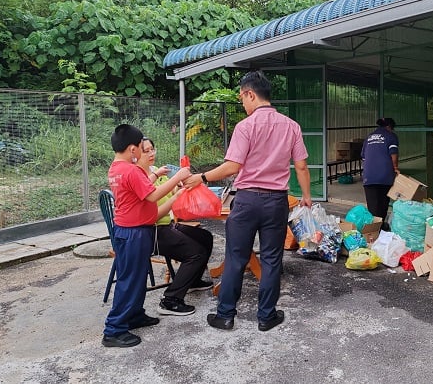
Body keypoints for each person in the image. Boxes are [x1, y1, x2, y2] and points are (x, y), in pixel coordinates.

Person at [184, 70, 312, 332]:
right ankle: (266, 316)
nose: (242, 103)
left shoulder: (246, 127)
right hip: (277, 201)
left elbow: (232, 166)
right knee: (272, 258)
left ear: (250, 94)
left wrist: (202, 177)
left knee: (236, 257)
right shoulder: (291, 126)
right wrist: (307, 197)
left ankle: (225, 315)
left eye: (242, 97)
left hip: (246, 201)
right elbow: (301, 166)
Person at [102, 124, 192, 348]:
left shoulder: (117, 168)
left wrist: (155, 176)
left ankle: (134, 315)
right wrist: (177, 177)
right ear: (133, 150)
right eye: (142, 148)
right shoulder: (131, 171)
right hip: (134, 232)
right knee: (129, 281)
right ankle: (113, 330)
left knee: (137, 277)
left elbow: (138, 191)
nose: (145, 152)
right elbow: (151, 197)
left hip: (130, 230)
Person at [137, 137, 214, 316]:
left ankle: (192, 281)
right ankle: (170, 300)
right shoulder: (139, 177)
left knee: (205, 237)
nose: (151, 153)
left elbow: (169, 190)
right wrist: (175, 197)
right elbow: (153, 215)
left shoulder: (156, 171)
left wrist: (179, 186)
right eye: (146, 151)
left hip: (166, 225)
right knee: (196, 252)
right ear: (134, 154)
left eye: (152, 149)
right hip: (152, 231)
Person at [361, 117, 399, 231]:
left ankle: (373, 231)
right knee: (383, 204)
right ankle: (381, 228)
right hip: (385, 175)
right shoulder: (391, 136)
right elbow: (394, 155)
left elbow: (363, 157)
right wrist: (396, 168)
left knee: (372, 206)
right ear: (389, 127)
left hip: (369, 176)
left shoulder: (368, 137)